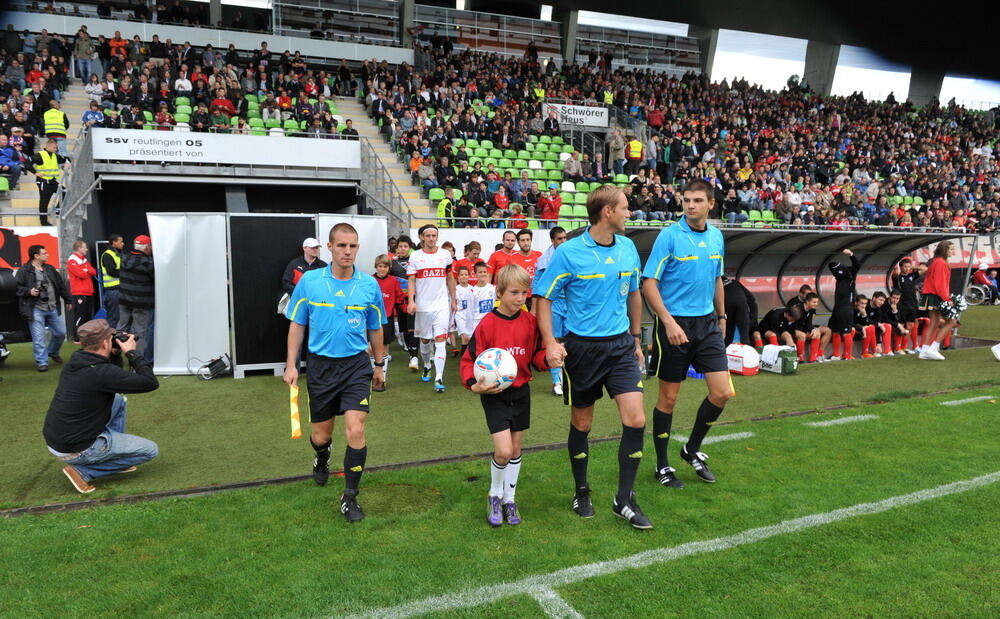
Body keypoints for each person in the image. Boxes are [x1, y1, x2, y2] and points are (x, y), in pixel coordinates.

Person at [535, 185, 651, 529]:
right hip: (582, 349)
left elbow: (634, 294)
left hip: (620, 348)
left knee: (636, 420)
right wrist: (550, 343)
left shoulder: (629, 248)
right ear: (607, 212)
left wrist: (635, 338)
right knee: (583, 423)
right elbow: (543, 298)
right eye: (626, 208)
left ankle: (624, 499)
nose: (630, 214)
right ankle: (581, 490)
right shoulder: (569, 252)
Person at [283, 223, 386, 523]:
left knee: (356, 429)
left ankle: (350, 496)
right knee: (321, 435)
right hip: (321, 367)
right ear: (330, 247)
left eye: (353, 246)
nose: (347, 251)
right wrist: (291, 364)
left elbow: (376, 328)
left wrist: (379, 365)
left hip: (356, 365)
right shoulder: (311, 282)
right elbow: (297, 324)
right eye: (341, 246)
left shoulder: (369, 285)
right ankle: (322, 455)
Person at [642, 179, 733, 489]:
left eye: (697, 200)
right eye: (686, 200)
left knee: (722, 392)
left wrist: (721, 316)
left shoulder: (717, 237)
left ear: (711, 204)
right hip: (674, 325)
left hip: (707, 323)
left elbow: (718, 279)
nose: (690, 205)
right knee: (668, 399)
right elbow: (649, 283)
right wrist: (667, 321)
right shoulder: (669, 236)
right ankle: (662, 464)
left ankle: (691, 449)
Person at [461, 265, 549, 526]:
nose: (520, 298)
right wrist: (472, 384)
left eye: (524, 293)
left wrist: (550, 359)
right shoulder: (487, 323)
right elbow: (469, 360)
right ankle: (494, 495)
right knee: (503, 451)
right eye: (514, 292)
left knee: (516, 449)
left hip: (521, 392)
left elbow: (536, 356)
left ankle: (510, 500)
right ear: (499, 292)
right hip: (495, 395)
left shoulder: (530, 323)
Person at [43, 319, 160, 493]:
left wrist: (113, 353)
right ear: (105, 342)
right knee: (150, 450)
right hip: (77, 448)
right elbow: (150, 382)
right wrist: (132, 354)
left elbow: (111, 377)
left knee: (118, 400)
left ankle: (111, 456)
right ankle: (84, 471)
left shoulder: (77, 360)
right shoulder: (101, 373)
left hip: (57, 440)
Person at [406, 224, 457, 392]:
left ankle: (439, 377)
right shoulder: (415, 257)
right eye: (427, 235)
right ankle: (427, 364)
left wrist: (453, 299)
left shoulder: (445, 255)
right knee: (426, 340)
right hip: (423, 306)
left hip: (441, 305)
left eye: (434, 235)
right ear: (421, 237)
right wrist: (411, 301)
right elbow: (412, 280)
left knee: (441, 340)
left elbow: (450, 277)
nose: (431, 238)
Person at [15, 244, 71, 371]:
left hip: (52, 307)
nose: (48, 254)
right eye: (44, 253)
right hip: (35, 308)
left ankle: (52, 351)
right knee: (38, 337)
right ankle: (42, 362)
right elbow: (16, 288)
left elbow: (61, 285)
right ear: (36, 256)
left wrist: (68, 299)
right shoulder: (24, 270)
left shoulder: (50, 269)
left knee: (61, 333)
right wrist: (28, 291)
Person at [532, 226, 568, 396]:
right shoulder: (545, 260)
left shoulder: (571, 254)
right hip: (553, 305)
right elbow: (538, 287)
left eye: (564, 238)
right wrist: (534, 308)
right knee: (553, 341)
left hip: (571, 304)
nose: (563, 242)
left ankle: (570, 377)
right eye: (559, 239)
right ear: (552, 241)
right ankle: (556, 382)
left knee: (573, 340)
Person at [118, 235, 155, 364]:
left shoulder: (123, 258)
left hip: (124, 301)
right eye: (150, 246)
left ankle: (114, 357)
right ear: (146, 247)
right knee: (140, 333)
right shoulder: (148, 264)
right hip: (141, 303)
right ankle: (138, 362)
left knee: (121, 330)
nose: (151, 249)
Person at [918, 241, 956, 361]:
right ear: (944, 250)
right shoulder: (940, 262)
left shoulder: (936, 261)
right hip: (937, 295)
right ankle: (933, 348)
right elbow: (940, 283)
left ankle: (924, 350)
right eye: (951, 249)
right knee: (951, 322)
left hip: (932, 294)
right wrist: (946, 298)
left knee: (934, 323)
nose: (953, 251)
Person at [373, 254, 405, 391]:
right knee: (371, 349)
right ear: (376, 267)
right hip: (372, 318)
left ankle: (381, 379)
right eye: (380, 266)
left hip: (387, 318)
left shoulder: (393, 281)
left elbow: (399, 298)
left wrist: (407, 308)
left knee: (384, 347)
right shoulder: (370, 280)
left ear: (389, 268)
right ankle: (374, 374)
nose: (382, 269)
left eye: (385, 266)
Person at [389, 235, 420, 370]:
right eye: (400, 246)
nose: (402, 249)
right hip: (399, 300)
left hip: (413, 299)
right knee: (404, 328)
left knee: (412, 326)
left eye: (405, 246)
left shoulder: (415, 261)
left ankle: (414, 356)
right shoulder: (392, 263)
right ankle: (410, 350)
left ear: (410, 248)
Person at [455, 262, 495, 356]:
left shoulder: (492, 288)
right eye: (480, 272)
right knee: (477, 348)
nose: (483, 274)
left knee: (490, 346)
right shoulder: (472, 291)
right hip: (477, 323)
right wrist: (469, 330)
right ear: (475, 274)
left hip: (490, 322)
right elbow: (470, 313)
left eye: (484, 272)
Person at [827, 249, 860, 361]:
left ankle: (847, 355)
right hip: (837, 308)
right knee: (835, 330)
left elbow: (857, 265)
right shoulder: (839, 277)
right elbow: (831, 265)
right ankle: (836, 354)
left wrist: (851, 254)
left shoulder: (851, 274)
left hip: (847, 308)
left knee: (846, 332)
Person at [28, 138, 70, 226]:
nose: (56, 149)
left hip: (52, 181)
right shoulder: (39, 155)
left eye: (56, 148)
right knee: (44, 202)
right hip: (43, 181)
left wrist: (67, 162)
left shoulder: (55, 155)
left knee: (65, 192)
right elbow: (27, 162)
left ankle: (58, 210)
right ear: (48, 146)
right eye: (54, 148)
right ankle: (44, 222)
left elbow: (66, 158)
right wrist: (35, 172)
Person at [891, 258, 926, 353]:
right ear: (901, 267)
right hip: (902, 305)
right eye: (905, 267)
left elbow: (925, 269)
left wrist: (913, 267)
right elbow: (895, 272)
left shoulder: (912, 275)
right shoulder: (897, 277)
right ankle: (897, 348)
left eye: (908, 267)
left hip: (912, 304)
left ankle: (904, 347)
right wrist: (898, 264)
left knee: (910, 326)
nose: (907, 269)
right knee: (901, 326)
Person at [67, 240, 98, 343]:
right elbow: (81, 274)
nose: (87, 249)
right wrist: (85, 270)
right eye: (85, 247)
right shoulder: (72, 260)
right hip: (79, 292)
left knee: (87, 316)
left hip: (88, 292)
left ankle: (86, 337)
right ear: (79, 248)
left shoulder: (84, 260)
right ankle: (77, 338)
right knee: (79, 316)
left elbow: (93, 272)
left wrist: (85, 269)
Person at [507, 229, 542, 310]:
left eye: (528, 240)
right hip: (520, 297)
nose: (526, 243)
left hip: (537, 296)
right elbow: (509, 280)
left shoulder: (539, 255)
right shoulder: (511, 258)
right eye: (522, 240)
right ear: (518, 242)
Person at [722, 276, 758, 347]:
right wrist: (751, 321)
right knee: (744, 336)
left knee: (728, 335)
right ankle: (746, 355)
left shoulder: (716, 285)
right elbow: (752, 300)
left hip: (727, 305)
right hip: (742, 305)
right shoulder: (735, 282)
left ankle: (727, 353)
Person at [99, 233, 125, 328]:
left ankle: (117, 339)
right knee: (114, 318)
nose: (123, 243)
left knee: (121, 317)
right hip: (113, 291)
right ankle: (111, 340)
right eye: (120, 241)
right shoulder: (107, 255)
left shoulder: (118, 254)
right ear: (114, 242)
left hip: (119, 289)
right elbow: (111, 272)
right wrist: (125, 273)